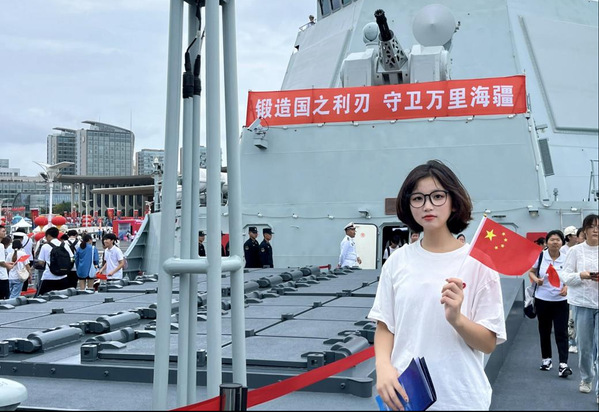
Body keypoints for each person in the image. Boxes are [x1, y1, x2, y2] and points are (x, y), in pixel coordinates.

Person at [368, 159, 506, 410]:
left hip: (461, 398)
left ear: (454, 202)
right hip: (407, 396)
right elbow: (385, 325)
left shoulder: (479, 264)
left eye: (438, 196)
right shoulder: (397, 262)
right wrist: (383, 367)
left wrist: (457, 319)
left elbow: (488, 343)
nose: (428, 205)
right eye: (417, 198)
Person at [559, 213, 598, 401]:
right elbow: (566, 276)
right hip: (582, 304)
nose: (596, 230)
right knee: (585, 346)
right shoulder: (575, 251)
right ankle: (587, 377)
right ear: (585, 230)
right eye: (592, 226)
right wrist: (581, 276)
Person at [527, 230, 572, 377]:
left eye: (558, 240)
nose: (555, 242)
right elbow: (531, 271)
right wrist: (536, 279)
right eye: (552, 239)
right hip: (543, 300)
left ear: (562, 242)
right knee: (544, 331)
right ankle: (546, 360)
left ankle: (563, 364)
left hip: (561, 301)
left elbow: (570, 276)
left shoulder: (566, 258)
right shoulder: (541, 256)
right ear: (547, 242)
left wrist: (567, 287)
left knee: (561, 332)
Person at [36, 227, 70, 296]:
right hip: (63, 275)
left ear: (48, 236)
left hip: (48, 276)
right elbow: (71, 258)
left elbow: (41, 262)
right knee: (63, 297)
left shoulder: (45, 246)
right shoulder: (64, 245)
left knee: (42, 297)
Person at [0, 226, 14, 299]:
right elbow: (1, 262)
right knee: (4, 299)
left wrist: (7, 264)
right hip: (2, 276)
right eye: (3, 231)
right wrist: (8, 266)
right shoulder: (1, 246)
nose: (5, 233)